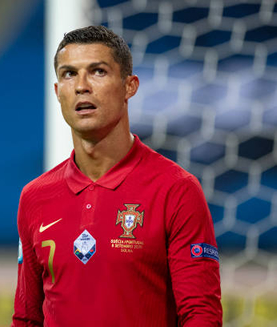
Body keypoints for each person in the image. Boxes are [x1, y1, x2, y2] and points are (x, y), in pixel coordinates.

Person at [12, 26, 222, 326]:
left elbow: (201, 316)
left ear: (129, 86)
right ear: (58, 92)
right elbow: (26, 318)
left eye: (97, 71)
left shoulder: (176, 190)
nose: (82, 86)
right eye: (69, 74)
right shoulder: (35, 197)